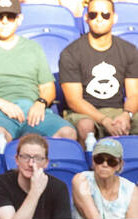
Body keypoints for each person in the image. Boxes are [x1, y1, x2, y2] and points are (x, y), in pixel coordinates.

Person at [0, 0, 76, 151]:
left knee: (68, 134)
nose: (5, 22)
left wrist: (41, 103)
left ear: (19, 19)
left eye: (10, 16)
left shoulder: (33, 48)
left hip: (31, 109)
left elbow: (47, 87)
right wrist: (1, 103)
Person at [59, 0, 138, 149]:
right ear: (86, 18)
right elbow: (74, 100)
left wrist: (126, 115)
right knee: (85, 127)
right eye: (93, 14)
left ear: (114, 18)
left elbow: (134, 94)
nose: (99, 18)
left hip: (119, 110)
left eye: (105, 15)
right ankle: (87, 168)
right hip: (83, 113)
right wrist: (105, 120)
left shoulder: (129, 50)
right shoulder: (70, 53)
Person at [0, 132, 71, 219]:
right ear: (17, 160)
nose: (31, 163)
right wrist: (35, 192)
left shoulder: (59, 187)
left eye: (38, 158)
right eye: (25, 157)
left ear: (46, 163)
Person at [72, 136, 138, 217]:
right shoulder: (81, 180)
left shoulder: (131, 189)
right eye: (99, 159)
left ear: (120, 165)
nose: (105, 165)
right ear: (93, 161)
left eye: (111, 161)